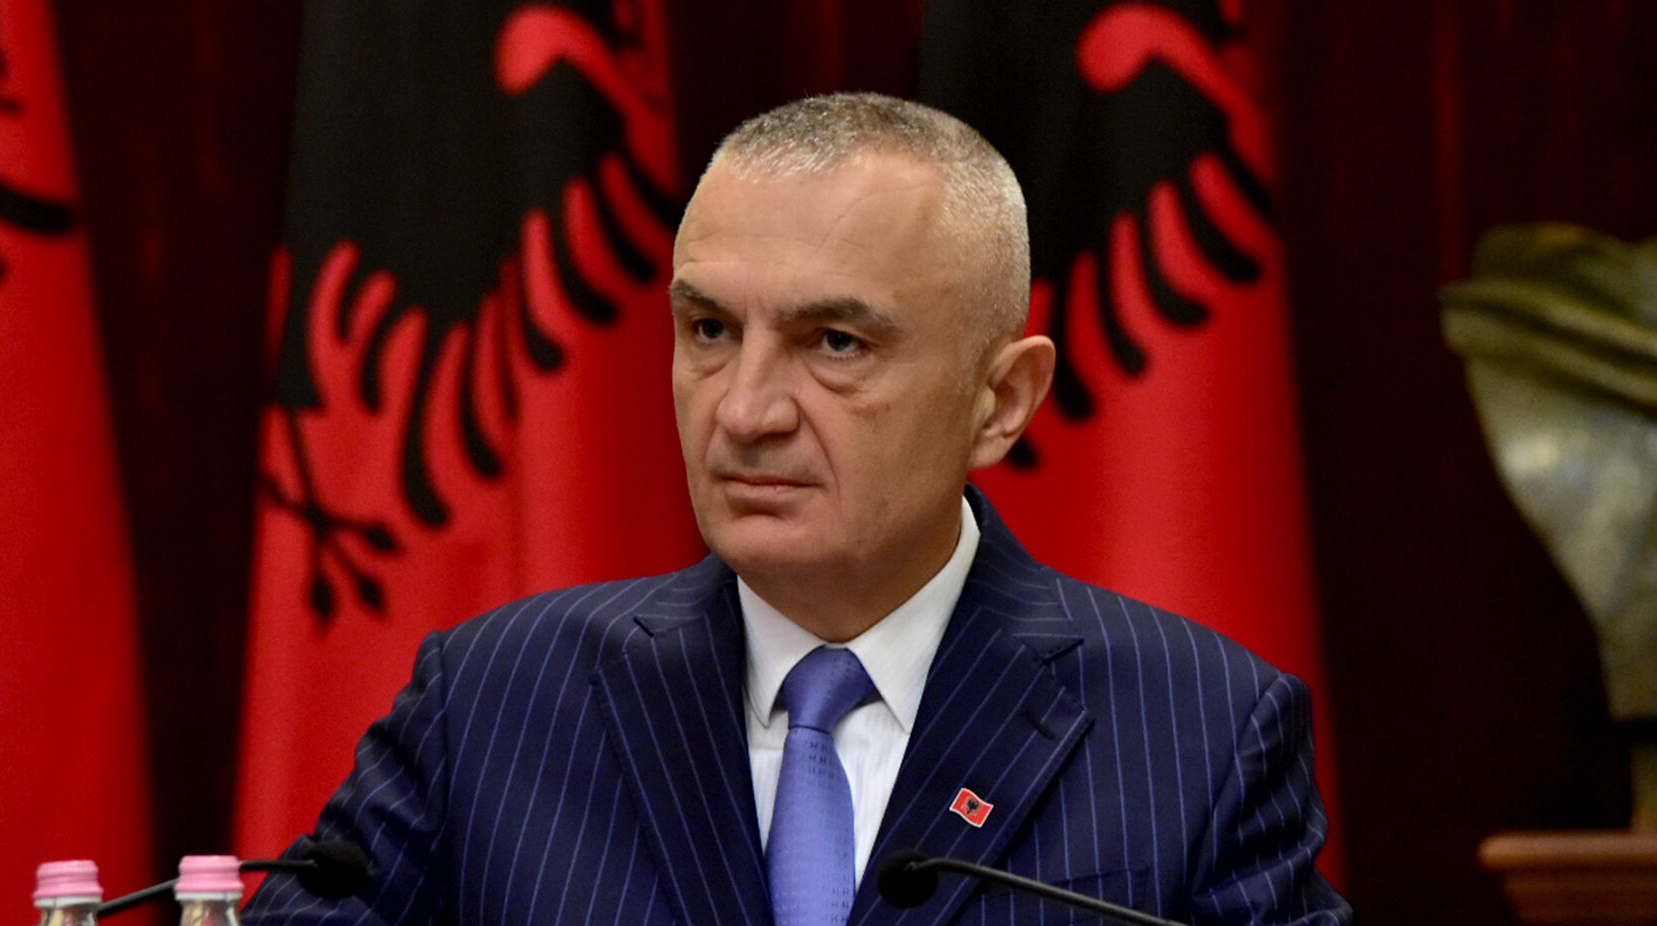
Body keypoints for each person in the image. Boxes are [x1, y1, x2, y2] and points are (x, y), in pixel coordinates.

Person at [243, 92, 1350, 926]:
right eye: (710, 330)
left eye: (835, 343)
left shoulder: (1200, 732)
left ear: (1001, 400)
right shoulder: (492, 703)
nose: (744, 412)